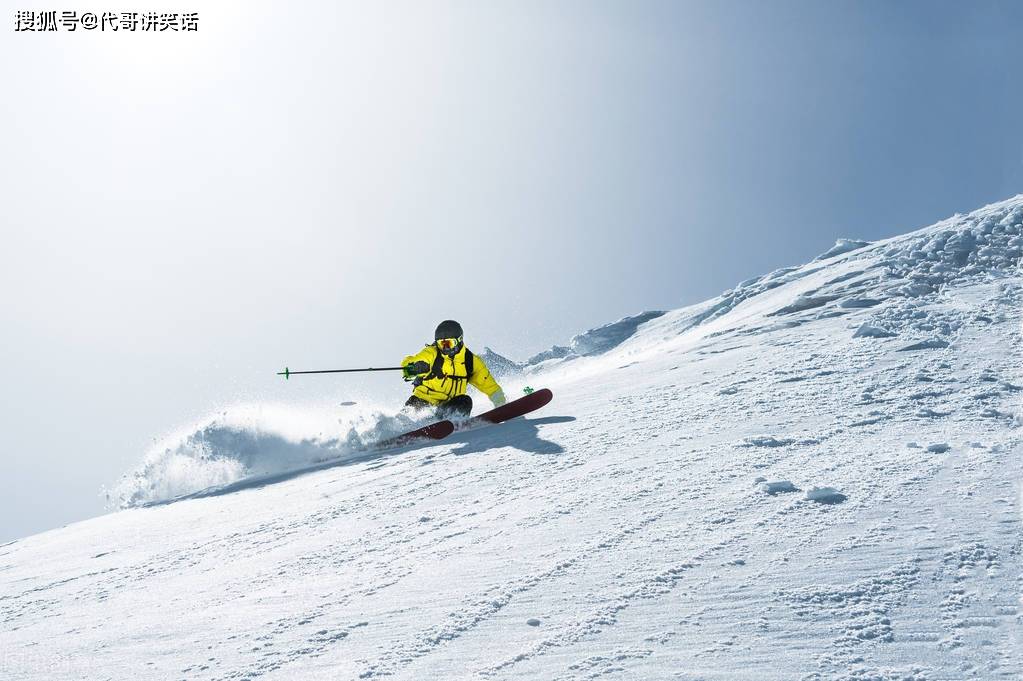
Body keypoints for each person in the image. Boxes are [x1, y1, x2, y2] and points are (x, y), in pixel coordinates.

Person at [401, 320, 506, 418]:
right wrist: (415, 368)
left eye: (449, 343)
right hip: (421, 402)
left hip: (448, 407)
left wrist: (501, 404)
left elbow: (490, 386)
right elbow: (408, 366)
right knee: (412, 411)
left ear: (459, 340)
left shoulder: (470, 361)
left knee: (465, 401)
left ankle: (449, 423)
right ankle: (401, 429)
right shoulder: (432, 353)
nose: (445, 348)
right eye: (441, 344)